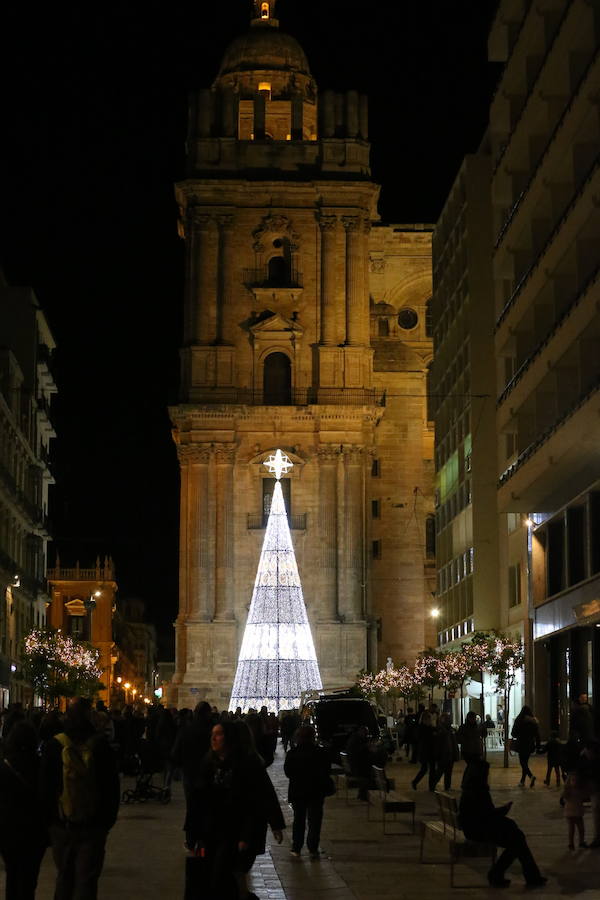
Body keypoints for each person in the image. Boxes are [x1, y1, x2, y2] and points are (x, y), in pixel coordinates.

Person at [185, 720, 285, 900]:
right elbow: (196, 800)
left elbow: (260, 797)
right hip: (211, 830)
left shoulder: (246, 764)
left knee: (224, 876)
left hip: (234, 831)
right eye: (212, 734)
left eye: (218, 734)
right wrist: (192, 834)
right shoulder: (208, 764)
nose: (213, 738)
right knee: (218, 878)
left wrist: (272, 825)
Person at [41, 697, 120, 900]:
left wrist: (50, 820)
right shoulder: (101, 746)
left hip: (62, 824)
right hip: (92, 826)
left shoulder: (54, 745)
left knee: (64, 877)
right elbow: (111, 787)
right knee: (86, 881)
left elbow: (45, 787)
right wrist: (106, 822)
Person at [459, 759, 546, 888]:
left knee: (516, 837)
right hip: (479, 830)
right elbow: (487, 815)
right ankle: (525, 876)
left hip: (474, 827)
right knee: (517, 840)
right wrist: (503, 810)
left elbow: (485, 814)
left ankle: (503, 874)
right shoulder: (478, 791)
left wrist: (500, 812)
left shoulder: (469, 789)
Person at [0, 720, 48, 900]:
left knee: (12, 874)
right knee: (29, 878)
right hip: (34, 830)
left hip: (7, 830)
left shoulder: (4, 766)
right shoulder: (40, 765)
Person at [284, 724, 331, 859]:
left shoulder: (292, 753)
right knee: (315, 821)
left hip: (298, 791)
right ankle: (313, 847)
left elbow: (288, 772)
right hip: (316, 791)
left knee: (298, 819)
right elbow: (326, 771)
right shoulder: (321, 753)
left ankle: (296, 847)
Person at [512, 705, 541, 787]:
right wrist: (538, 746)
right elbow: (537, 735)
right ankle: (522, 781)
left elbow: (513, 733)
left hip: (521, 743)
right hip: (530, 744)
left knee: (522, 762)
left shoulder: (519, 720)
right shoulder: (533, 721)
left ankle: (531, 776)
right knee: (525, 762)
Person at [432, 712, 459, 791]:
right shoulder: (441, 730)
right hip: (443, 754)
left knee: (448, 771)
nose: (448, 720)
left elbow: (453, 743)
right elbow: (439, 744)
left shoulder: (450, 730)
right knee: (440, 771)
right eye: (447, 719)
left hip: (450, 753)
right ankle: (433, 785)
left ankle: (447, 786)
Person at [411, 711, 437, 791]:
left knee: (431, 769)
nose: (429, 721)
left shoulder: (430, 728)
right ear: (424, 720)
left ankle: (431, 787)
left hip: (430, 751)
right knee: (425, 769)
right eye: (428, 719)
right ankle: (415, 782)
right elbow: (421, 739)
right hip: (424, 751)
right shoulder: (421, 728)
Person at [562, 770, 588, 850]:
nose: (575, 782)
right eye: (573, 780)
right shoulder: (569, 791)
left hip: (576, 811)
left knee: (580, 828)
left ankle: (580, 842)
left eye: (576, 780)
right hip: (572, 811)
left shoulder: (578, 790)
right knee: (573, 829)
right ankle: (572, 843)